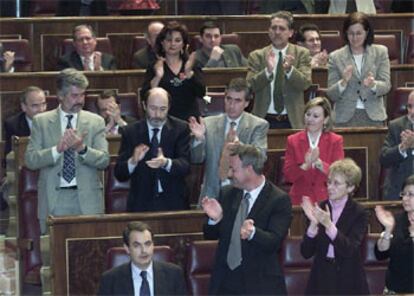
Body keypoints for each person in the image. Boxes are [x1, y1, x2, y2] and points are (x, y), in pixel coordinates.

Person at [24, 68, 109, 234]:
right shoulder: (41, 122)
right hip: (54, 199)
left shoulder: (95, 122)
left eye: (83, 95)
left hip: (87, 199)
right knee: (56, 256)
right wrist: (57, 150)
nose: (80, 100)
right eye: (74, 96)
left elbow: (104, 160)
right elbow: (31, 160)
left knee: (89, 254)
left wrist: (82, 149)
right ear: (60, 95)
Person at [202, 144, 292, 295]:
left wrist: (253, 233)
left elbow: (274, 242)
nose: (229, 174)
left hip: (259, 284)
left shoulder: (279, 200)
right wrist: (215, 220)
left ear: (249, 169)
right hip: (225, 281)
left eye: (234, 169)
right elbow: (210, 235)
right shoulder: (227, 194)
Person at [189, 78, 268, 203]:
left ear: (246, 103)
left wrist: (240, 147)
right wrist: (199, 139)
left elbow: (260, 158)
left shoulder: (257, 125)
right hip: (211, 195)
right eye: (228, 99)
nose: (231, 105)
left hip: (241, 194)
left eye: (237, 101)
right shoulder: (209, 123)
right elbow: (196, 159)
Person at [115, 87, 191, 212]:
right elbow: (119, 173)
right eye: (153, 108)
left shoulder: (181, 129)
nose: (157, 115)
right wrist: (133, 161)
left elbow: (186, 166)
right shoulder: (131, 132)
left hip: (174, 203)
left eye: (162, 109)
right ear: (144, 105)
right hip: (141, 204)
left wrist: (165, 163)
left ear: (169, 107)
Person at [300, 158, 369, 295]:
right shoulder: (319, 208)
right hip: (321, 278)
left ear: (350, 187)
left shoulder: (359, 213)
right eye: (329, 182)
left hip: (349, 279)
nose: (330, 187)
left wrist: (328, 225)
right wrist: (313, 226)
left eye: (336, 183)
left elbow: (349, 249)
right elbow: (306, 253)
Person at [247, 11, 312, 129]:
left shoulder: (302, 53)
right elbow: (250, 85)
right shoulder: (257, 55)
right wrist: (267, 72)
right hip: (263, 119)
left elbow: (305, 83)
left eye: (282, 28)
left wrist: (290, 70)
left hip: (292, 120)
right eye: (273, 28)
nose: (277, 32)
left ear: (291, 33)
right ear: (269, 31)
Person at [327, 12, 391, 127]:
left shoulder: (380, 52)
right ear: (346, 33)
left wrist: (373, 84)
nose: (355, 38)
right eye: (351, 33)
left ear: (367, 32)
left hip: (373, 116)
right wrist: (343, 82)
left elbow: (386, 86)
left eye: (358, 33)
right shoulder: (335, 56)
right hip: (344, 118)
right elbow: (331, 94)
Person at [97, 221, 187, 295]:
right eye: (137, 245)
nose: (144, 250)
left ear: (153, 245)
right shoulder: (110, 280)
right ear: (127, 248)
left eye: (147, 244)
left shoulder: (174, 275)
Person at [283, 97, 344, 205]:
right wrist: (305, 165)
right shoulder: (293, 140)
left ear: (325, 119)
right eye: (308, 114)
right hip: (299, 199)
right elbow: (288, 176)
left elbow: (339, 174)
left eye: (315, 116)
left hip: (327, 198)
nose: (310, 119)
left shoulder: (335, 140)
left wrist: (319, 164)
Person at [140, 21, 205, 121]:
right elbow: (145, 98)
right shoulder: (154, 66)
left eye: (177, 40)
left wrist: (189, 74)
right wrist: (158, 77)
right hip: (164, 120)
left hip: (190, 120)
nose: (173, 44)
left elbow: (202, 93)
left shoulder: (192, 64)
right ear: (162, 42)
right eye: (169, 40)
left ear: (184, 44)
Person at [374, 175, 414, 294]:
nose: (405, 199)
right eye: (404, 194)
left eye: (410, 195)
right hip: (395, 290)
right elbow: (380, 254)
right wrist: (388, 229)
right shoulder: (395, 221)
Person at [380, 90, 414, 200]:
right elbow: (384, 158)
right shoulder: (396, 126)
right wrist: (403, 147)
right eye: (409, 107)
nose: (412, 111)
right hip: (399, 190)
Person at [4, 86, 47, 155]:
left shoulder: (53, 120)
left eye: (43, 104)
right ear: (24, 107)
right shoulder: (13, 125)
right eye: (35, 106)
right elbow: (9, 158)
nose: (41, 110)